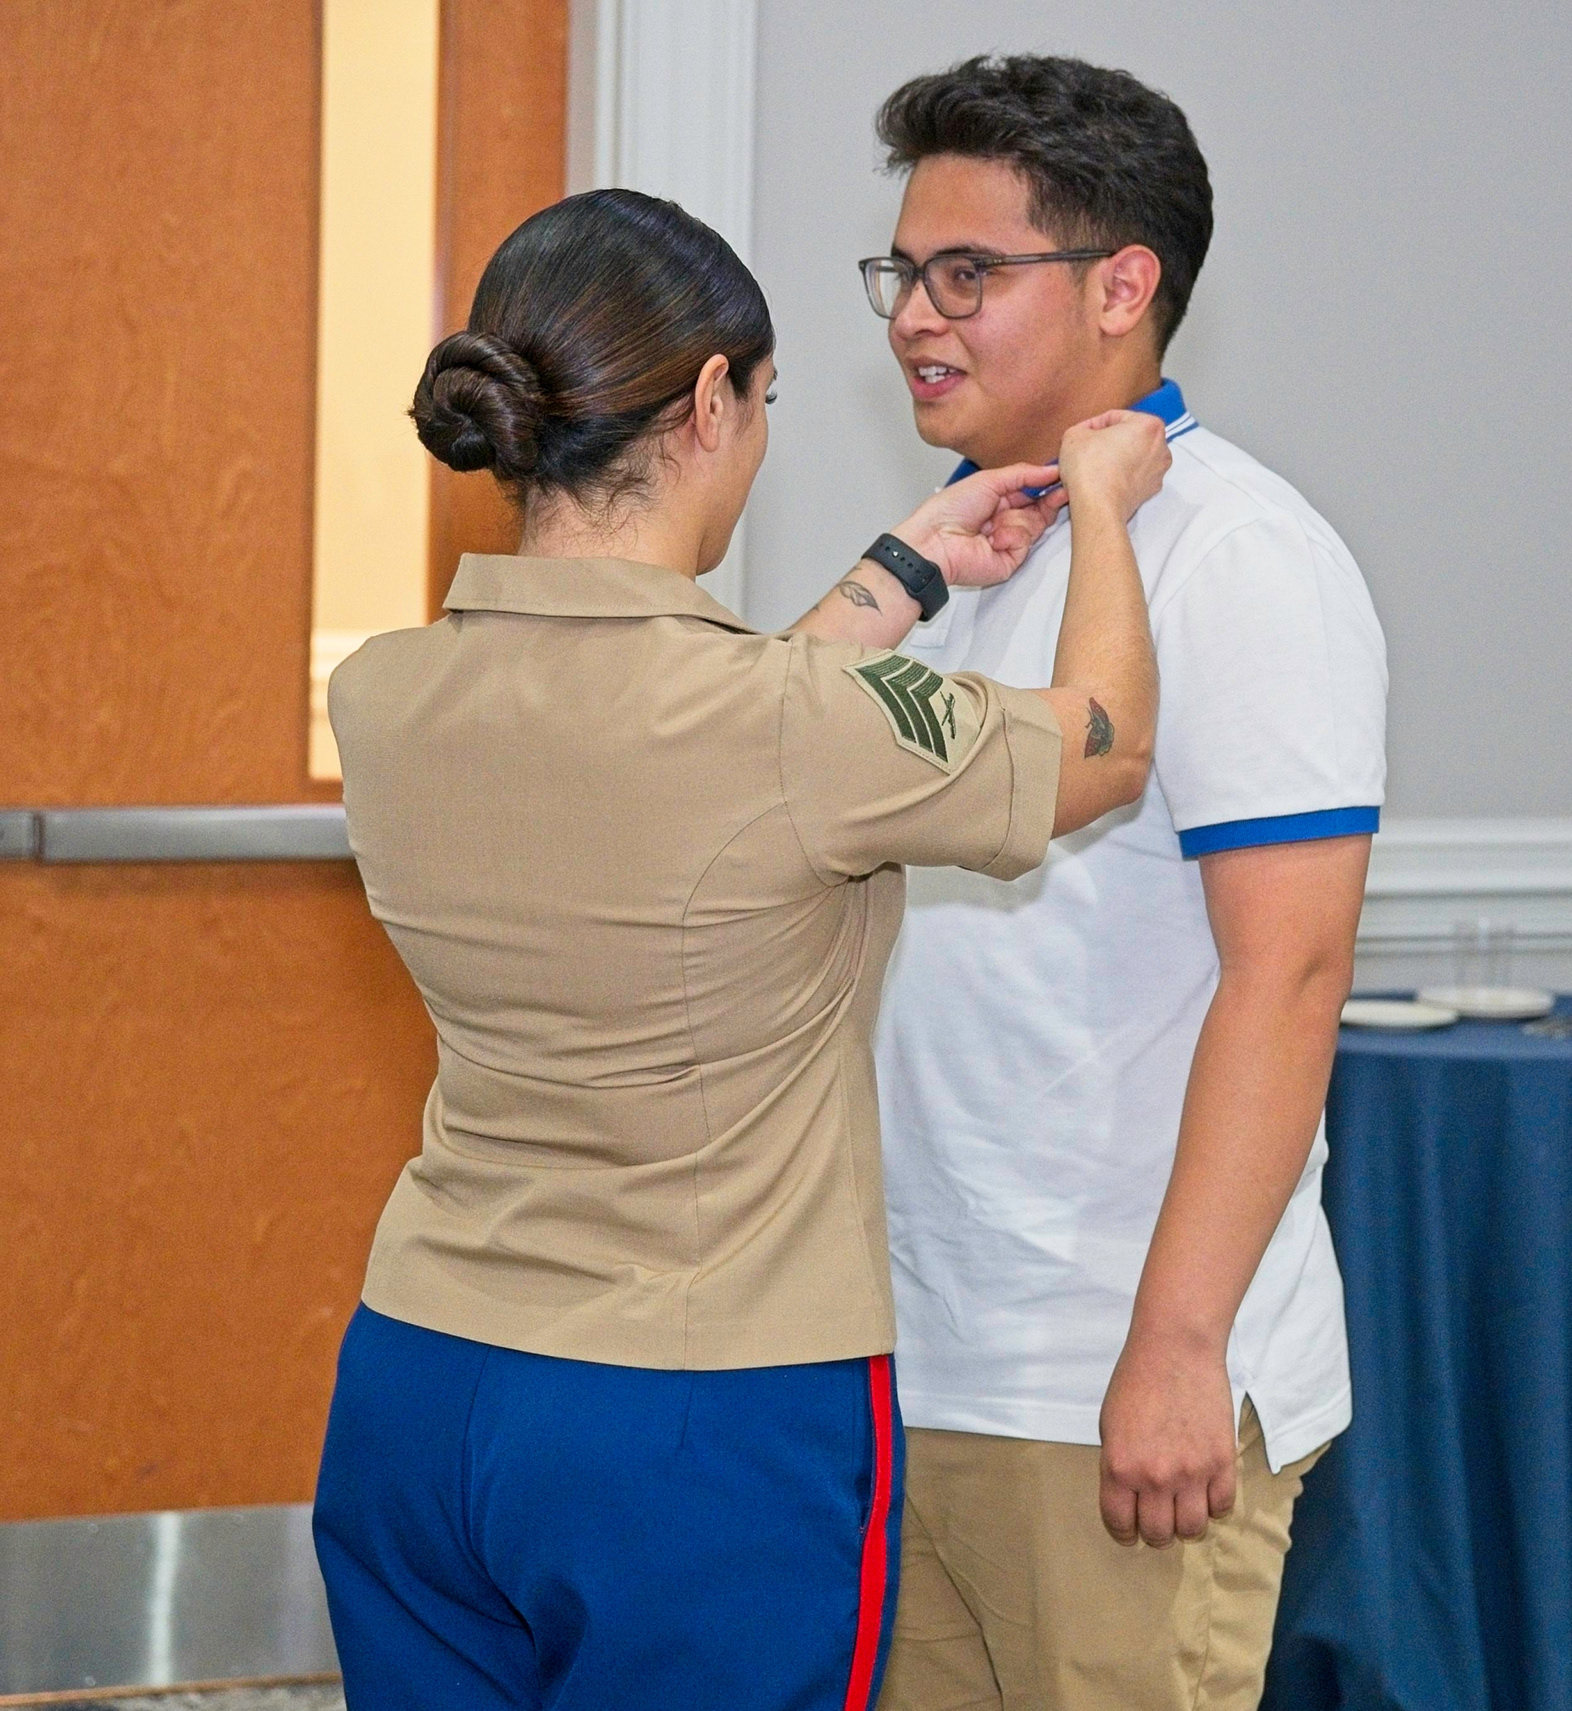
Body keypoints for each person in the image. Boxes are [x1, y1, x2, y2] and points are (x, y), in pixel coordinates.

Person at [311, 186, 1169, 1711]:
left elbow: (698, 745)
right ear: (711, 401)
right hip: (699, 1418)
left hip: (422, 1379)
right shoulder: (784, 729)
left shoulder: (382, 696)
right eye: (765, 403)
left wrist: (900, 572)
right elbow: (1102, 744)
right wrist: (1104, 503)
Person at [861, 57, 1389, 1711]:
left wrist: (1177, 1346)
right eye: (903, 273)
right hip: (926, 1349)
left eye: (968, 273)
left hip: (1106, 1372)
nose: (915, 317)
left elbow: (1289, 974)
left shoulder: (1238, 554)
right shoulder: (965, 549)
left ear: (1121, 286)